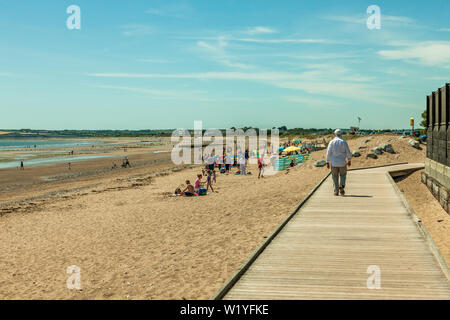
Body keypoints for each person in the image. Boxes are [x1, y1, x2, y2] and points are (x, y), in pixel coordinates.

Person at [326, 129, 352, 196]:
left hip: (334, 162)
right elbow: (348, 152)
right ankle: (342, 185)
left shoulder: (331, 142)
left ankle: (336, 191)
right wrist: (349, 160)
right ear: (341, 134)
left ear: (335, 134)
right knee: (343, 175)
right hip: (342, 162)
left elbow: (328, 152)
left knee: (335, 177)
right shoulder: (344, 142)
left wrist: (327, 162)